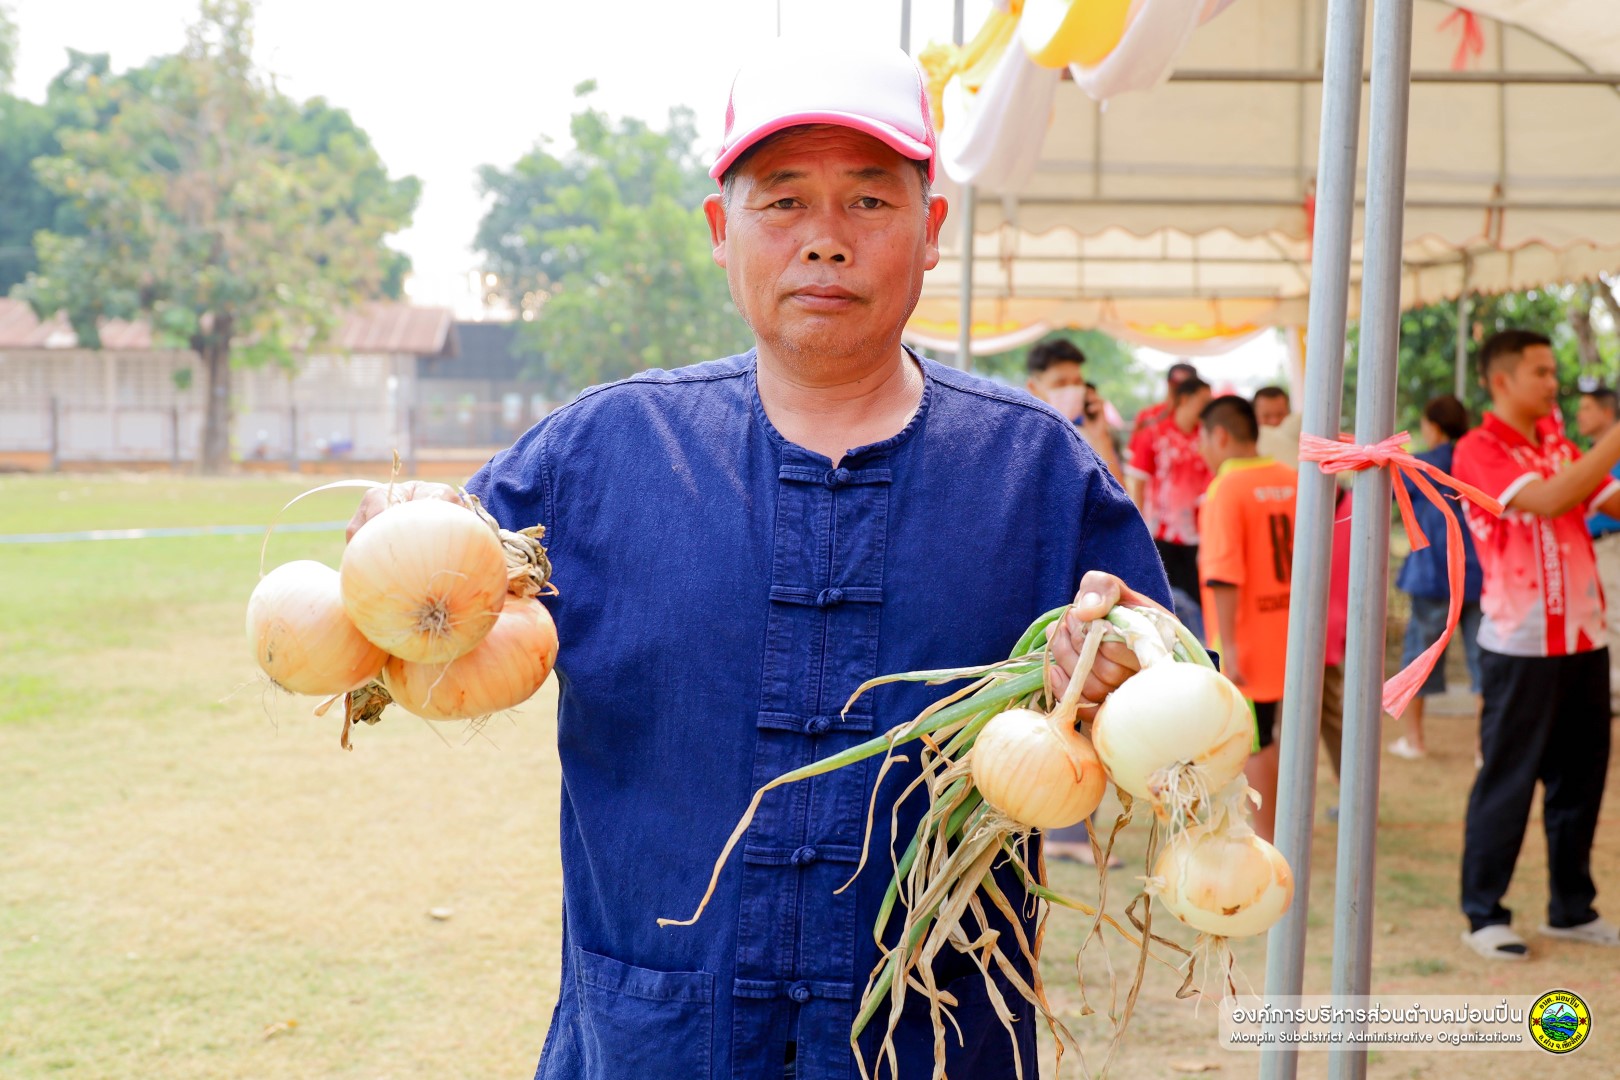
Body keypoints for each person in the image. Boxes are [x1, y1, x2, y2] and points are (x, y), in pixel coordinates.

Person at [347, 40, 1171, 1078]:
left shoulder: (1031, 470)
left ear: (931, 231)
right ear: (719, 229)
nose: (825, 241)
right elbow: (423, 621)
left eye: (870, 202)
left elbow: (1173, 717)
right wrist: (389, 550)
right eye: (783, 201)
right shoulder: (602, 452)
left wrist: (1118, 687)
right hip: (657, 1042)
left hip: (932, 1043)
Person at [1451, 329, 1620, 960]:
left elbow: (1604, 497)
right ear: (1501, 380)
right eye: (1542, 373)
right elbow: (1550, 501)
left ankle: (1572, 909)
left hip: (1583, 637)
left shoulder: (1559, 444)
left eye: (1554, 373)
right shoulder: (1479, 448)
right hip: (1520, 644)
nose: (1554, 385)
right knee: (1510, 779)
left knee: (1581, 781)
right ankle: (1484, 913)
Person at [1195, 395, 1297, 842]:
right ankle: (1280, 829)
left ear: (1219, 435)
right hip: (1291, 634)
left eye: (1202, 439)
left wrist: (1229, 648)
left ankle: (1270, 839)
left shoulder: (1226, 488)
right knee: (1278, 737)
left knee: (1257, 743)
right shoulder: (1293, 480)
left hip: (1249, 642)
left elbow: (1223, 575)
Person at [1389, 395, 1483, 760]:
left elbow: (1397, 500)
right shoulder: (1472, 461)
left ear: (1434, 426)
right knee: (1482, 661)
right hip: (1476, 574)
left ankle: (1415, 741)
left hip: (1432, 576)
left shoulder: (1422, 465)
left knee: (1419, 658)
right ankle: (1482, 748)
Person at [1126, 375, 1214, 638]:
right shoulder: (1153, 432)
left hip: (1202, 536)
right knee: (1168, 608)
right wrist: (1138, 532)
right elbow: (1137, 483)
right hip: (1162, 535)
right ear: (1185, 399)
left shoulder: (1207, 434)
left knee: (1199, 607)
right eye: (1204, 401)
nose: (1209, 408)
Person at [1576, 385, 1620, 712]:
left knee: (1615, 617)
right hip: (1591, 549)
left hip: (1613, 545)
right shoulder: (1586, 454)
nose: (1580, 414)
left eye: (1587, 407)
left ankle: (1614, 695)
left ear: (1608, 413)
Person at [1131, 361, 1198, 434]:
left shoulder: (1201, 421)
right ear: (1168, 384)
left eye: (1187, 386)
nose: (1180, 391)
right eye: (1176, 384)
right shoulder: (1147, 415)